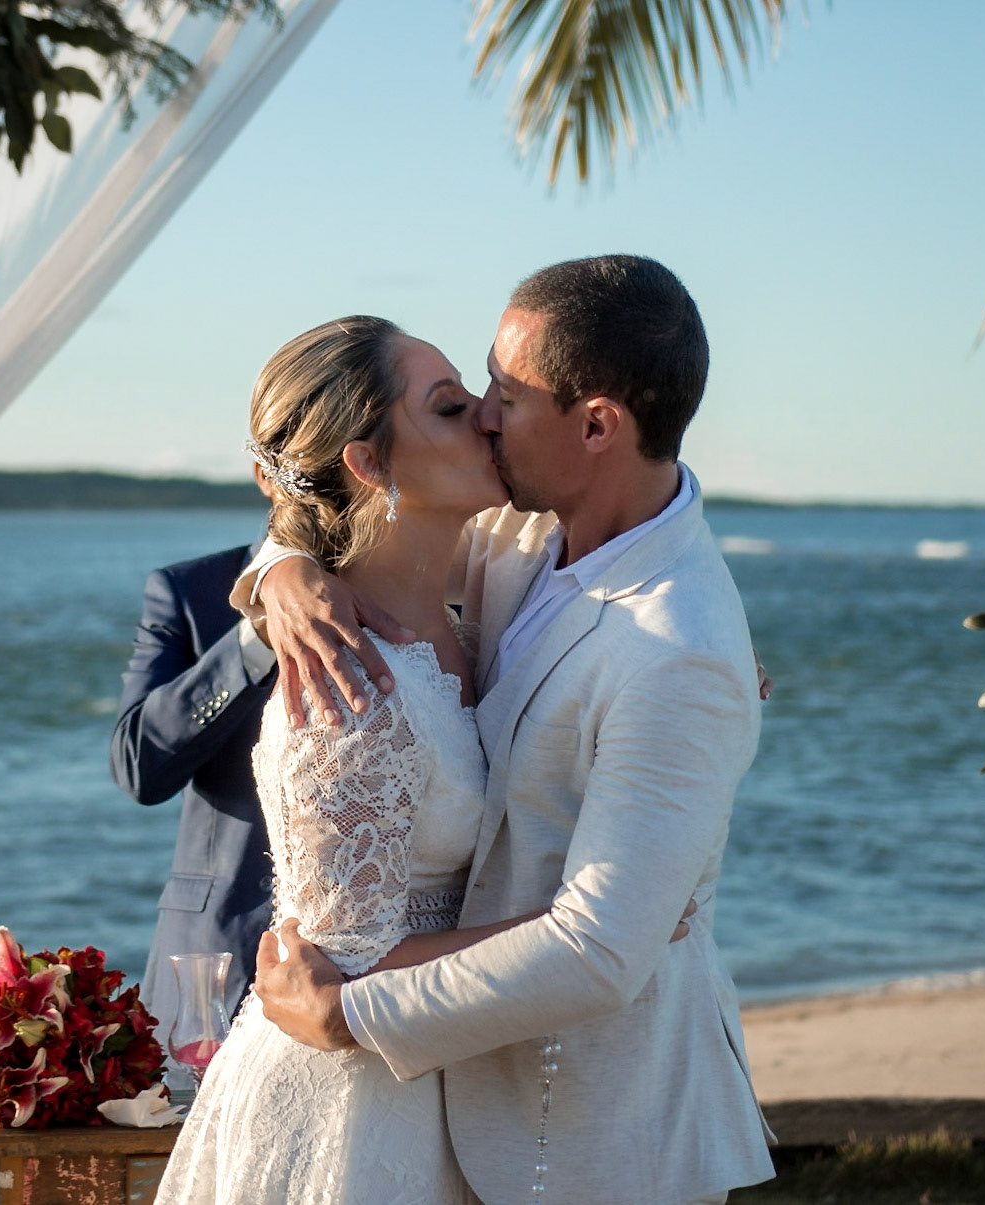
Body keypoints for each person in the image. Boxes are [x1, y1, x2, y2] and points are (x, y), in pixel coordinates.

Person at [242, 256, 774, 1204]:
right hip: (453, 1110)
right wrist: (282, 569)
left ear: (598, 425)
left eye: (503, 395)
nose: (486, 414)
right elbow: (351, 500)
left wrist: (349, 1011)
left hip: (600, 1134)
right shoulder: (526, 535)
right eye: (472, 391)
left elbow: (600, 951)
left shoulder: (678, 648)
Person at [155, 315, 556, 1204]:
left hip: (443, 1080)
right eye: (451, 407)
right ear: (369, 463)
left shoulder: (463, 620)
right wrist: (580, 932)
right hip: (356, 1113)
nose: (490, 418)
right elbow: (343, 967)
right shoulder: (344, 680)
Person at [110, 491, 280, 1064]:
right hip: (219, 966)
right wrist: (254, 640)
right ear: (268, 473)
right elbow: (138, 766)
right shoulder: (191, 591)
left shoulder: (440, 593)